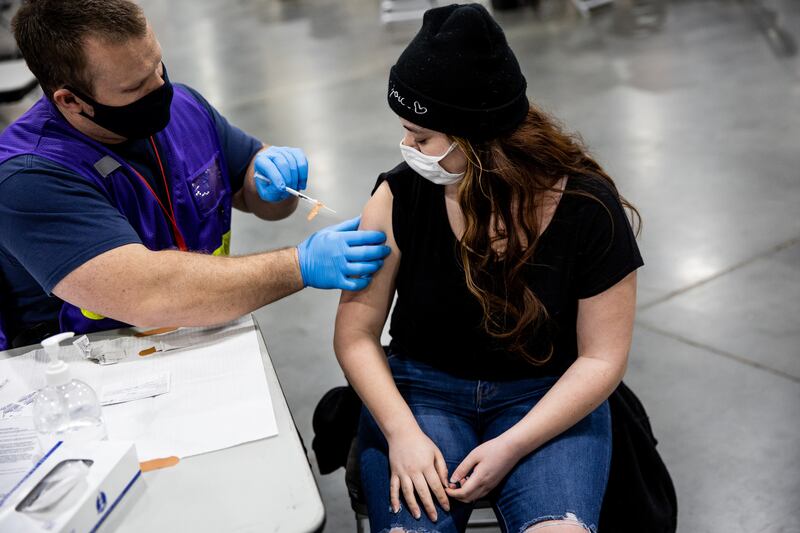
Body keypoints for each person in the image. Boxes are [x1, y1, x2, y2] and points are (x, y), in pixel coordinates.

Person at [334, 4, 643, 533]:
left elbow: (601, 358)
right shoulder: (398, 196)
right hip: (423, 393)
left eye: (422, 137)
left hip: (547, 396)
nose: (406, 147)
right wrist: (402, 434)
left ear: (478, 142)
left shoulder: (590, 209)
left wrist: (513, 444)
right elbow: (356, 336)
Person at [0, 0, 390, 350]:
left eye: (157, 65)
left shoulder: (184, 107)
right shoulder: (29, 177)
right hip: (92, 373)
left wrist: (271, 181)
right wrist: (298, 265)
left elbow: (258, 195)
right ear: (71, 100)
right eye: (135, 85)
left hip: (198, 332)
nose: (160, 88)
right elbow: (147, 295)